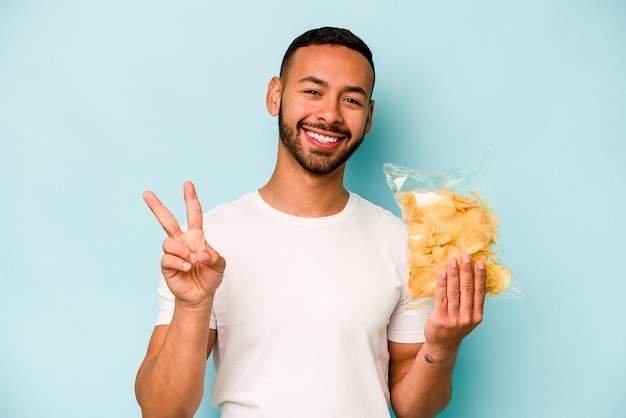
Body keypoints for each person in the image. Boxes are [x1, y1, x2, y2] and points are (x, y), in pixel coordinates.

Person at [135, 27, 486, 418]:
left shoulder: (400, 241)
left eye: (350, 99)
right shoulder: (207, 246)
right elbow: (162, 411)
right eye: (313, 91)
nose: (330, 114)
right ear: (275, 95)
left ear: (368, 118)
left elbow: (412, 408)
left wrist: (443, 346)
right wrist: (193, 306)